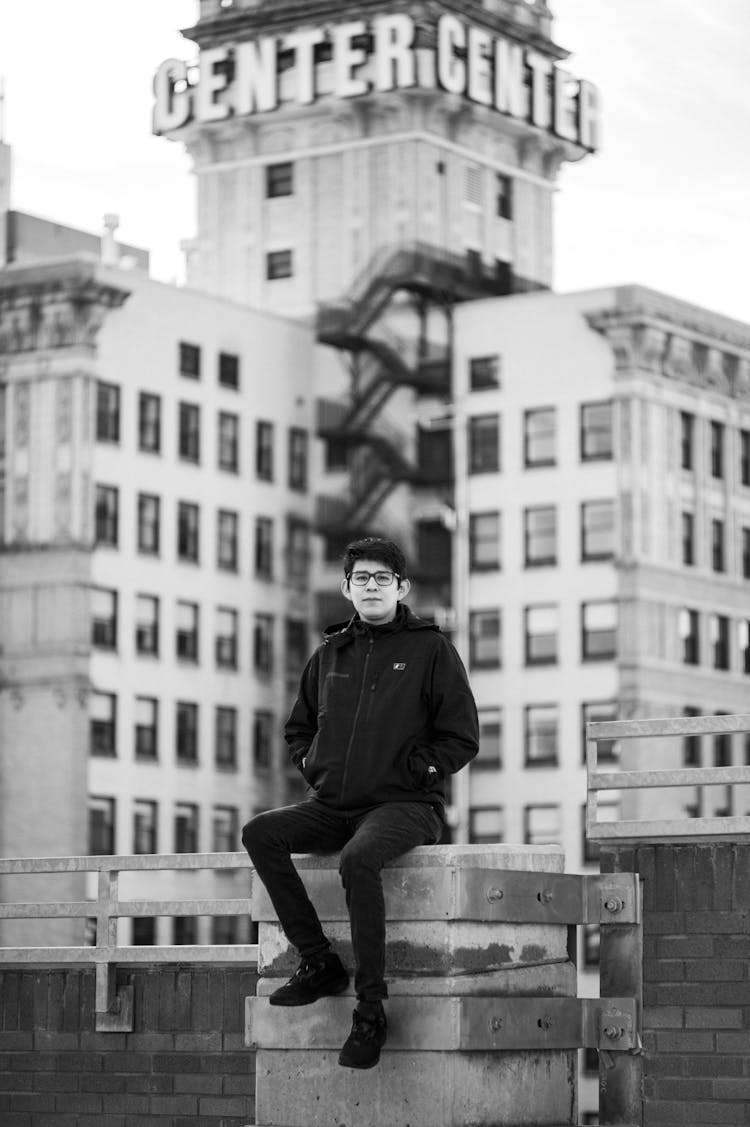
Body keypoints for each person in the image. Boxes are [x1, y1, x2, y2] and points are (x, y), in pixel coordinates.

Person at [241, 536, 478, 1069]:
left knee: (358, 858)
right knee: (261, 832)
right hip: (333, 803)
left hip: (404, 805)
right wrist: (311, 765)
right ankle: (318, 961)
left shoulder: (430, 650)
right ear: (347, 588)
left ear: (402, 587)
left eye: (383, 579)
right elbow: (298, 728)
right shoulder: (330, 655)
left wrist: (420, 771)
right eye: (362, 579)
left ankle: (370, 1010)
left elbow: (462, 737)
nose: (372, 587)